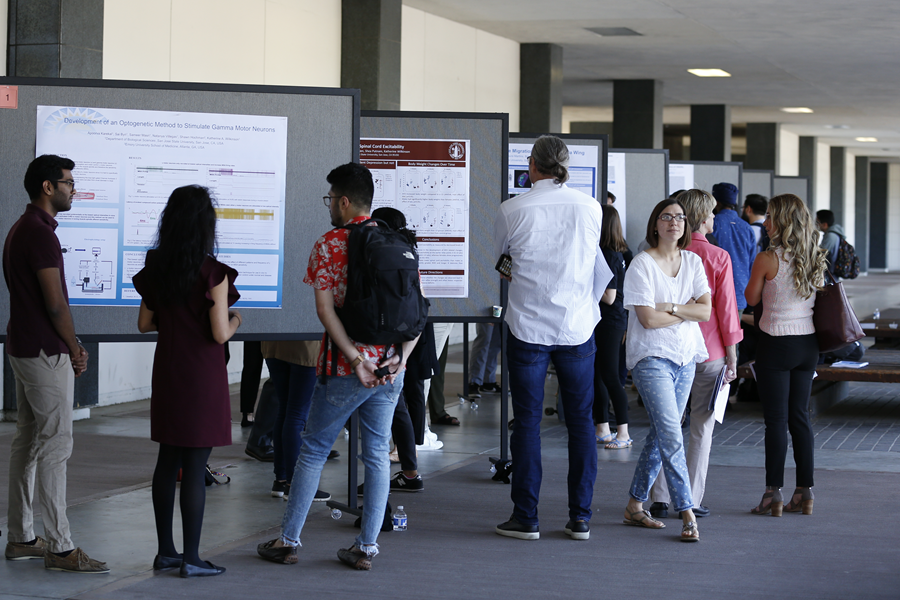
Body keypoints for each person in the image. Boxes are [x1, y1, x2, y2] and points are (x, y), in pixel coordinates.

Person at [257, 163, 418, 570]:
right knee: (378, 455)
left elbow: (325, 312)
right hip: (389, 369)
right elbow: (416, 313)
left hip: (347, 371)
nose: (329, 205)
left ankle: (288, 540)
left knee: (312, 449)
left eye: (331, 198)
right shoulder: (397, 241)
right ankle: (366, 548)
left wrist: (355, 359)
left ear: (344, 201)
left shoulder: (330, 244)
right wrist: (399, 360)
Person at [493, 135, 612, 542]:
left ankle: (525, 517)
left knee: (526, 423)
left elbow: (501, 262)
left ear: (533, 166)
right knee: (581, 423)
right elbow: (591, 261)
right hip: (578, 326)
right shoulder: (592, 208)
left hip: (527, 326)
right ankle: (580, 517)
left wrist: (521, 271)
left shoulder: (512, 209)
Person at [3, 155, 107, 573]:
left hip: (24, 349)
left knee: (27, 443)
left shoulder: (22, 228)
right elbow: (55, 301)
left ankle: (22, 537)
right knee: (55, 446)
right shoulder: (39, 234)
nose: (72, 189)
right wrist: (75, 347)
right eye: (67, 182)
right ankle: (61, 547)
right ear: (47, 187)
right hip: (45, 353)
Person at [133, 184, 241, 578]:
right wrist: (236, 319)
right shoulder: (212, 271)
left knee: (167, 461)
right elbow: (218, 334)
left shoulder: (156, 266)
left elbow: (144, 324)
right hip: (202, 374)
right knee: (196, 466)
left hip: (168, 370)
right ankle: (193, 558)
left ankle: (166, 553)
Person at [648, 190, 742, 519]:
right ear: (702, 217)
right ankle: (691, 498)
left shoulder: (663, 254)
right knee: (702, 427)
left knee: (668, 425)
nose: (715, 219)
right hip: (711, 351)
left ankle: (659, 495)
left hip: (670, 350)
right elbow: (727, 311)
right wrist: (732, 354)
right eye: (712, 214)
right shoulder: (717, 256)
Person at [621, 198, 710, 543]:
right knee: (672, 433)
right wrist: (686, 309)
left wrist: (671, 307)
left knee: (662, 434)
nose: (674, 222)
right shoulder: (641, 265)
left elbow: (706, 312)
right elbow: (647, 319)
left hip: (686, 357)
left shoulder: (693, 261)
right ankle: (686, 510)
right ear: (655, 224)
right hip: (651, 358)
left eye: (680, 217)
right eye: (666, 217)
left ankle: (634, 505)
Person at [745, 194, 826, 517]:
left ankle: (772, 494)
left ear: (783, 222)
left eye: (770, 217)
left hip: (775, 343)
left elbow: (751, 298)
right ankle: (805, 492)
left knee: (775, 421)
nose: (765, 222)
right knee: (800, 419)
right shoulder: (817, 255)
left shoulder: (767, 258)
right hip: (808, 345)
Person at [262, 341, 331, 502]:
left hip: (273, 344)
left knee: (285, 409)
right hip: (305, 346)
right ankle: (295, 485)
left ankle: (281, 480)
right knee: (296, 414)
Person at [593, 204, 632, 449]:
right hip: (613, 320)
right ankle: (603, 429)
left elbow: (608, 296)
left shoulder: (607, 254)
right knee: (599, 375)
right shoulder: (619, 252)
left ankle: (624, 434)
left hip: (609, 321)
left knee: (609, 376)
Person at [712, 182, 757, 311]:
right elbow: (752, 264)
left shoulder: (711, 225)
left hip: (716, 292)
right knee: (734, 331)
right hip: (740, 292)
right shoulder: (747, 228)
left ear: (716, 202)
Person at [468, 322, 501, 397]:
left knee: (496, 343)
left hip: (502, 311)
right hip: (485, 311)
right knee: (484, 341)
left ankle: (488, 381)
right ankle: (474, 382)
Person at [815, 209, 844, 275]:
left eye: (817, 222)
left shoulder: (831, 235)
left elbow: (821, 253)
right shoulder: (833, 233)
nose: (815, 224)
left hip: (830, 271)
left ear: (825, 224)